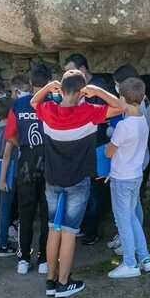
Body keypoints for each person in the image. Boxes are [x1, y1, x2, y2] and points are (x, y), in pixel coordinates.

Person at [31, 69, 122, 298]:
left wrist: (46, 87)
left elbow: (34, 101)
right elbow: (120, 106)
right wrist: (98, 91)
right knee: (70, 232)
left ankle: (51, 280)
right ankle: (64, 283)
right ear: (82, 92)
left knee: (53, 229)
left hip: (52, 180)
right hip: (78, 181)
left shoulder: (48, 110)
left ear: (60, 89)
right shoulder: (90, 112)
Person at [104, 77, 150, 279]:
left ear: (122, 99)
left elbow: (109, 152)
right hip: (135, 176)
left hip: (121, 178)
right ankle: (146, 258)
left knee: (123, 220)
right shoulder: (142, 120)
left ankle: (130, 263)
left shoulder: (123, 127)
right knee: (132, 217)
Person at [4, 64, 52, 275]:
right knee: (47, 212)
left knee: (25, 212)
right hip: (51, 161)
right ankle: (44, 259)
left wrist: (22, 144)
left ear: (31, 83)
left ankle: (23, 258)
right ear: (50, 82)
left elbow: (10, 135)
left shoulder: (19, 104)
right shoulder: (54, 103)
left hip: (26, 161)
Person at [64, 54, 114, 245]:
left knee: (95, 190)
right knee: (83, 188)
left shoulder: (100, 87)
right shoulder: (77, 89)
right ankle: (84, 227)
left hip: (99, 147)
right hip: (83, 148)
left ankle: (91, 231)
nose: (67, 75)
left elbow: (105, 116)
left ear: (83, 70)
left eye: (71, 70)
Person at [0, 96, 17, 257]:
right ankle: (3, 245)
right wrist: (3, 179)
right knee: (5, 208)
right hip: (6, 169)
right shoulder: (11, 129)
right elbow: (7, 155)